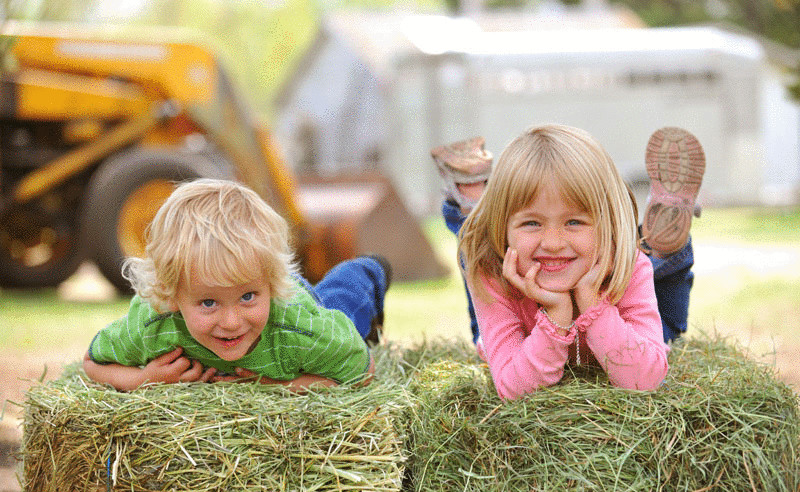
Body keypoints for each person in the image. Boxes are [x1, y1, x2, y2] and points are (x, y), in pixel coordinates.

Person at [433, 124, 704, 400]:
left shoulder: (629, 265)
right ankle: (472, 201)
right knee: (478, 248)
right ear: (505, 229)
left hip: (618, 287)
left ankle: (668, 243)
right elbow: (513, 388)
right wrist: (557, 315)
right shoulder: (492, 275)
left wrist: (593, 304)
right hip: (509, 277)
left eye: (574, 221)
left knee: (667, 327)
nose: (552, 243)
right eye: (531, 222)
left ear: (607, 224)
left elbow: (645, 379)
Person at [83, 178, 391, 393]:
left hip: (295, 305)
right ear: (172, 295)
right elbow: (92, 362)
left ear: (269, 287)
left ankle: (368, 270)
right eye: (208, 303)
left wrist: (281, 386)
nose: (231, 323)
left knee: (340, 302)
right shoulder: (154, 325)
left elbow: (364, 374)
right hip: (263, 290)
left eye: (246, 297)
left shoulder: (301, 330)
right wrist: (144, 379)